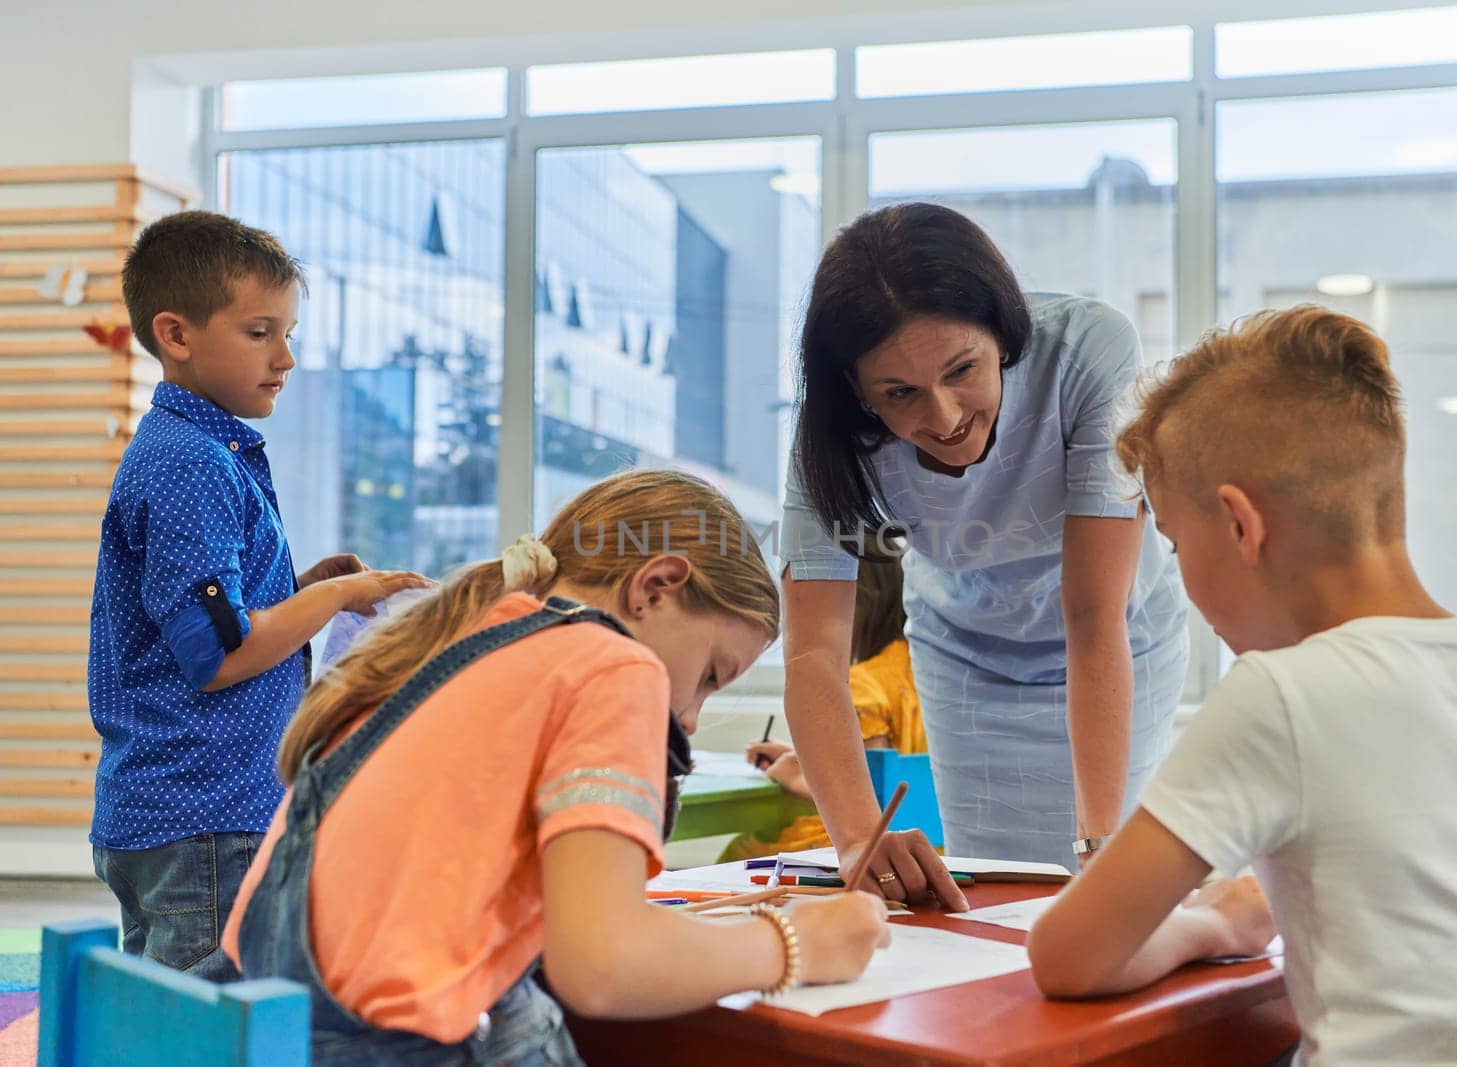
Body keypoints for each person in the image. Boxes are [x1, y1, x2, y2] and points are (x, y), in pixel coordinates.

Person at [1027, 306, 1457, 1065]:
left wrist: (1218, 924)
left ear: (1240, 525)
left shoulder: (1279, 695)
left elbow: (1069, 953)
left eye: (1171, 541)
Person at [223, 470, 889, 1063]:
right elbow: (603, 964)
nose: (690, 717)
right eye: (711, 675)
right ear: (655, 587)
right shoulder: (610, 663)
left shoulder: (455, 640)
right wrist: (795, 940)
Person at [782, 202, 1189, 905]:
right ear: (857, 388)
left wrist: (1098, 845)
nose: (942, 417)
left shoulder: (1089, 351)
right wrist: (856, 838)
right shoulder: (831, 434)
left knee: (1101, 882)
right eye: (899, 393)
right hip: (964, 651)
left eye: (962, 368)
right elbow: (813, 653)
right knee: (993, 892)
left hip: (1118, 641)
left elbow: (1094, 613)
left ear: (1000, 332)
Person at [89, 211, 425, 981]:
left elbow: (203, 619)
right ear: (177, 335)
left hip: (184, 812)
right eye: (260, 332)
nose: (287, 358)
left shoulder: (200, 451)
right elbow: (220, 654)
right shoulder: (190, 464)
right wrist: (343, 592)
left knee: (166, 1012)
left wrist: (300, 590)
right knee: (201, 1028)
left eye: (288, 332)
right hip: (205, 814)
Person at [733, 556, 924, 858]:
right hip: (926, 839)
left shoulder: (861, 686)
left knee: (741, 849)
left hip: (861, 843)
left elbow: (872, 795)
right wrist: (806, 760)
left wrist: (795, 776)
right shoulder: (924, 677)